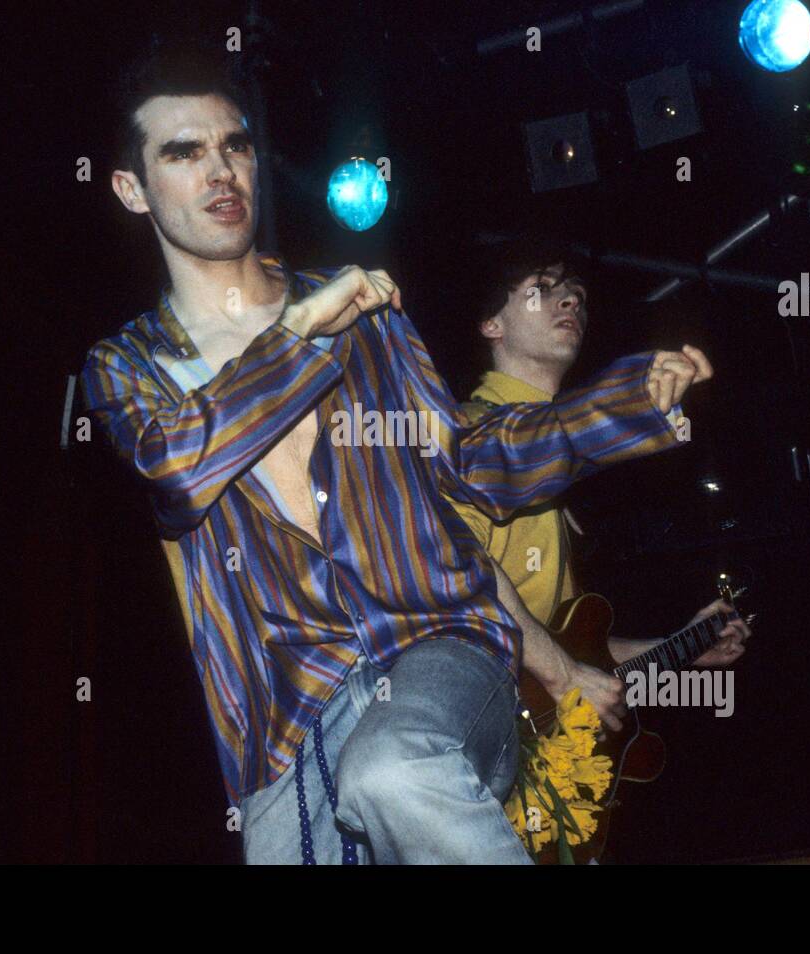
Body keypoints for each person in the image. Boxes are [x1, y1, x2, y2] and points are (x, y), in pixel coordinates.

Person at [80, 43, 710, 863]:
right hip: (283, 717)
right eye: (184, 152)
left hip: (432, 645)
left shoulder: (361, 309)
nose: (221, 171)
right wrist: (301, 336)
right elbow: (178, 467)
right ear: (132, 187)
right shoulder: (127, 365)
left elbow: (467, 461)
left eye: (234, 145)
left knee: (391, 770)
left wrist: (614, 407)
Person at [446, 242, 752, 740]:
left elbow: (572, 651)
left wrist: (679, 646)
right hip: (467, 722)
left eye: (577, 294)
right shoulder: (463, 433)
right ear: (492, 324)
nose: (570, 301)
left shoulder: (558, 484)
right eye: (541, 290)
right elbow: (462, 570)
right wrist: (635, 398)